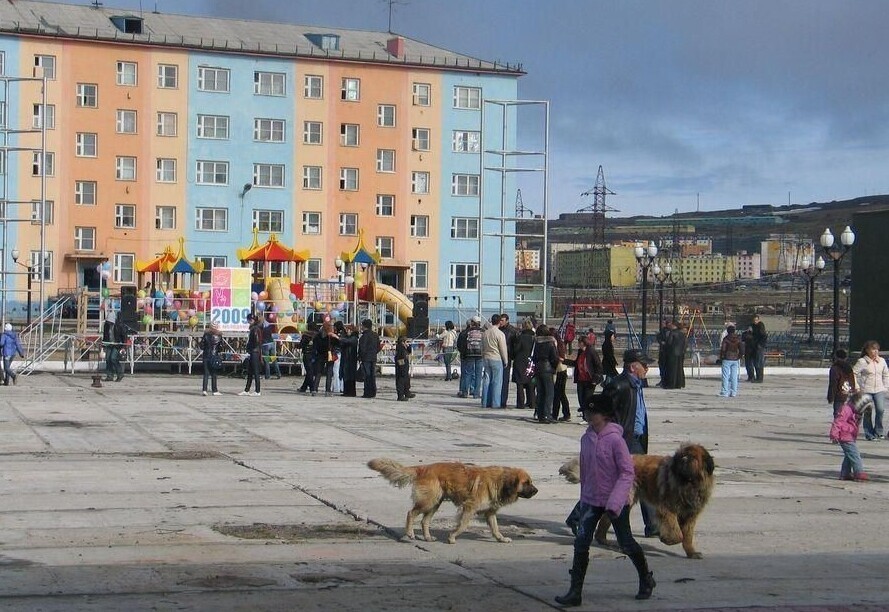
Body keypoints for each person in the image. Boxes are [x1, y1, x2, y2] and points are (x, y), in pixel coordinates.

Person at [554, 396, 656, 606]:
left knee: (626, 542)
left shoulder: (616, 441)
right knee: (581, 542)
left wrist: (616, 501)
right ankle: (575, 592)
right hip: (591, 500)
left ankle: (646, 578)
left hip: (615, 501)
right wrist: (583, 501)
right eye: (587, 412)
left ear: (605, 416)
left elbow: (627, 473)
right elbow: (587, 471)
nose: (588, 415)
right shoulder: (586, 438)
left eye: (592, 412)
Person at [600, 349, 659, 537]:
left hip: (637, 439)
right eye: (645, 365)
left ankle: (652, 525)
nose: (648, 369)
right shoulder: (619, 385)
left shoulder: (637, 385)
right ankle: (578, 517)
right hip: (625, 440)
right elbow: (602, 413)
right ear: (633, 367)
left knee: (643, 481)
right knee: (638, 481)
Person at [829, 391, 873, 481]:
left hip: (850, 436)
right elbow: (838, 422)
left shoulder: (856, 412)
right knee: (855, 454)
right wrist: (834, 435)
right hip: (844, 436)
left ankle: (845, 474)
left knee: (849, 455)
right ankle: (858, 472)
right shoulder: (846, 409)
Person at [852, 340, 888, 441]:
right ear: (867, 350)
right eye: (873, 349)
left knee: (880, 410)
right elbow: (853, 373)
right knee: (868, 412)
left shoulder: (882, 361)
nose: (875, 351)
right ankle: (869, 434)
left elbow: (886, 374)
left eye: (877, 349)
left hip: (879, 390)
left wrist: (886, 387)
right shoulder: (862, 361)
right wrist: (857, 386)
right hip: (866, 390)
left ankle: (879, 431)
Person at [532, 324, 559, 424]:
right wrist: (554, 367)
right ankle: (547, 414)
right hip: (547, 369)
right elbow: (554, 357)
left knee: (540, 392)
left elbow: (534, 357)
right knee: (549, 393)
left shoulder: (537, 343)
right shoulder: (550, 343)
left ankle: (540, 415)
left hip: (538, 368)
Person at [571, 334, 603, 417]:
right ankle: (585, 415)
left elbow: (598, 365)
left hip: (590, 380)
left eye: (579, 342)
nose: (578, 344)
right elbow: (576, 363)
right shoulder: (580, 352)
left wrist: (595, 379)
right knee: (581, 399)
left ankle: (588, 417)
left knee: (587, 399)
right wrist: (564, 361)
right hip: (581, 379)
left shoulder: (591, 351)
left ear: (583, 343)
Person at [481, 314, 508, 408]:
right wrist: (505, 360)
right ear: (499, 322)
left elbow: (482, 347)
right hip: (496, 358)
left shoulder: (485, 333)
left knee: (486, 380)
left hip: (486, 358)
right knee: (497, 381)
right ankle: (495, 403)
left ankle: (485, 402)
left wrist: (483, 355)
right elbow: (503, 348)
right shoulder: (500, 334)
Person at [511, 319, 536, 410]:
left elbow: (516, 349)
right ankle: (532, 403)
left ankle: (520, 403)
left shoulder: (520, 337)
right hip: (531, 362)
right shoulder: (535, 337)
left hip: (520, 361)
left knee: (520, 384)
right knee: (530, 383)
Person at [311, 321, 339, 397]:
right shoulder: (331, 336)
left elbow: (315, 346)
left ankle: (314, 389)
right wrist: (336, 337)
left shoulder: (318, 336)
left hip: (320, 355)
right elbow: (338, 344)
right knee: (329, 373)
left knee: (318, 373)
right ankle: (327, 390)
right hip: (330, 355)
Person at [458, 316, 484, 399]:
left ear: (472, 322)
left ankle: (465, 392)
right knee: (478, 374)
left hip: (469, 354)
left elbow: (463, 345)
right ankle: (476, 393)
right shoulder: (483, 332)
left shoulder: (467, 332)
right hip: (480, 355)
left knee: (468, 373)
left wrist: (464, 354)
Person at [827, 349, 856, 418]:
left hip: (839, 395)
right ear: (846, 358)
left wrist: (831, 397)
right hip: (848, 394)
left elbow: (833, 383)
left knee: (838, 416)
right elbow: (852, 381)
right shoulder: (849, 367)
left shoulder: (835, 368)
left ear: (836, 357)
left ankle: (839, 428)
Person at [240, 314, 263, 397]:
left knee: (256, 372)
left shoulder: (255, 329)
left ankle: (257, 390)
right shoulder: (254, 328)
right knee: (250, 372)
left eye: (249, 320)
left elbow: (256, 341)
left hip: (255, 352)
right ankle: (247, 390)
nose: (248, 322)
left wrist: (250, 348)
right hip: (252, 352)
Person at [718, 325, 744, 397]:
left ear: (727, 331)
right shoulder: (738, 339)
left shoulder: (726, 339)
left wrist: (721, 357)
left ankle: (724, 392)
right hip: (735, 359)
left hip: (727, 358)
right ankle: (733, 392)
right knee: (734, 376)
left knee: (725, 376)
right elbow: (742, 349)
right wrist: (739, 356)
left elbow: (723, 349)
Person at [358, 318, 381, 399]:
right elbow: (379, 347)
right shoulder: (375, 335)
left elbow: (362, 348)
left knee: (367, 376)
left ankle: (367, 392)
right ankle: (373, 391)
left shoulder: (364, 336)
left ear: (364, 326)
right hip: (373, 357)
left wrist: (360, 357)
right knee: (372, 375)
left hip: (366, 358)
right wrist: (374, 353)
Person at [499, 314, 518, 407]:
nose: (500, 322)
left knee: (505, 380)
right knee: (498, 380)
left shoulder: (512, 331)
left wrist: (512, 355)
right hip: (498, 357)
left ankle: (503, 401)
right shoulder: (498, 329)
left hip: (507, 357)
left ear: (507, 320)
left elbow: (515, 345)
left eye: (502, 320)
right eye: (500, 320)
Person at [552, 328, 571, 421]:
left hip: (560, 370)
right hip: (563, 370)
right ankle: (566, 413)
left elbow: (556, 357)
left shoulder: (555, 344)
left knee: (557, 394)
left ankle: (554, 415)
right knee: (562, 394)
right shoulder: (560, 343)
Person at [200, 322, 224, 396]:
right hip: (214, 355)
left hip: (206, 355)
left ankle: (204, 390)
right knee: (214, 373)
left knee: (206, 373)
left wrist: (205, 349)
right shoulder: (219, 336)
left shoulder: (206, 334)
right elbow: (221, 347)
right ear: (216, 327)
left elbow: (201, 345)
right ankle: (214, 390)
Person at [662, 320, 686, 389]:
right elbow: (684, 343)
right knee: (679, 369)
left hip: (672, 353)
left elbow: (669, 342)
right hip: (680, 353)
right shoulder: (682, 334)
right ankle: (679, 384)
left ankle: (671, 384)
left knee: (672, 369)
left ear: (674, 326)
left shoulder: (672, 333)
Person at [339, 325, 359, 397]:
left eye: (349, 330)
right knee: (345, 375)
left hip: (351, 359)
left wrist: (339, 338)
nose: (347, 331)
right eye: (347, 330)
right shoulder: (346, 338)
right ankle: (346, 391)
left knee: (351, 376)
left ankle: (351, 392)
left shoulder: (354, 338)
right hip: (346, 359)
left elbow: (348, 341)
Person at [297, 321, 317, 393]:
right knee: (310, 371)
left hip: (307, 354)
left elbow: (301, 345)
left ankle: (312, 388)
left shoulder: (306, 335)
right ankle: (304, 387)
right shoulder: (317, 335)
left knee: (309, 372)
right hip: (314, 354)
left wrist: (297, 346)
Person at [455, 320, 472, 397]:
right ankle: (471, 389)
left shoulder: (462, 333)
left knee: (464, 373)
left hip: (463, 355)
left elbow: (458, 344)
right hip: (471, 355)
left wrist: (461, 351)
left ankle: (462, 389)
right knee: (472, 373)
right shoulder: (472, 334)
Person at [102, 311, 119, 382]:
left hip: (116, 344)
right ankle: (109, 375)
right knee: (107, 359)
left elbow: (121, 335)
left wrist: (119, 344)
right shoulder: (106, 325)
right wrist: (103, 344)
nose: (109, 323)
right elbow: (105, 335)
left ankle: (119, 373)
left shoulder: (118, 326)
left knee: (113, 358)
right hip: (109, 343)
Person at [395, 335, 412, 401]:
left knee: (406, 381)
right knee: (400, 383)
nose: (407, 343)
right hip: (401, 369)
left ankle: (407, 392)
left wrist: (408, 346)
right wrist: (402, 369)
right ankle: (400, 396)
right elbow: (400, 359)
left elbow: (409, 351)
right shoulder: (400, 349)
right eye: (406, 341)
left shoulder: (404, 348)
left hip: (405, 368)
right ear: (402, 342)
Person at [751, 315, 768, 383]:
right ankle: (758, 377)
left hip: (759, 347)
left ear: (758, 320)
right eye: (754, 320)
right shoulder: (753, 326)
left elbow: (764, 336)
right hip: (755, 346)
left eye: (756, 320)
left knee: (759, 362)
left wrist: (760, 345)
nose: (755, 322)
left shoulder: (760, 326)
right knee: (756, 362)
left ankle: (760, 378)